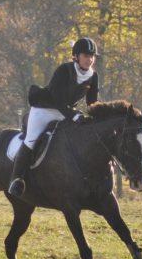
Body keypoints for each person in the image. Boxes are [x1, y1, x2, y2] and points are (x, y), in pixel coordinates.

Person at [8, 37, 100, 196]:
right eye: (86, 56)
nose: (89, 60)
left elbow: (92, 103)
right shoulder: (64, 70)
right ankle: (16, 180)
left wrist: (99, 117)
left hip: (65, 114)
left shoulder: (93, 76)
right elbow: (57, 99)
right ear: (76, 56)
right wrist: (73, 115)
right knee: (31, 140)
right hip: (44, 110)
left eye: (92, 56)